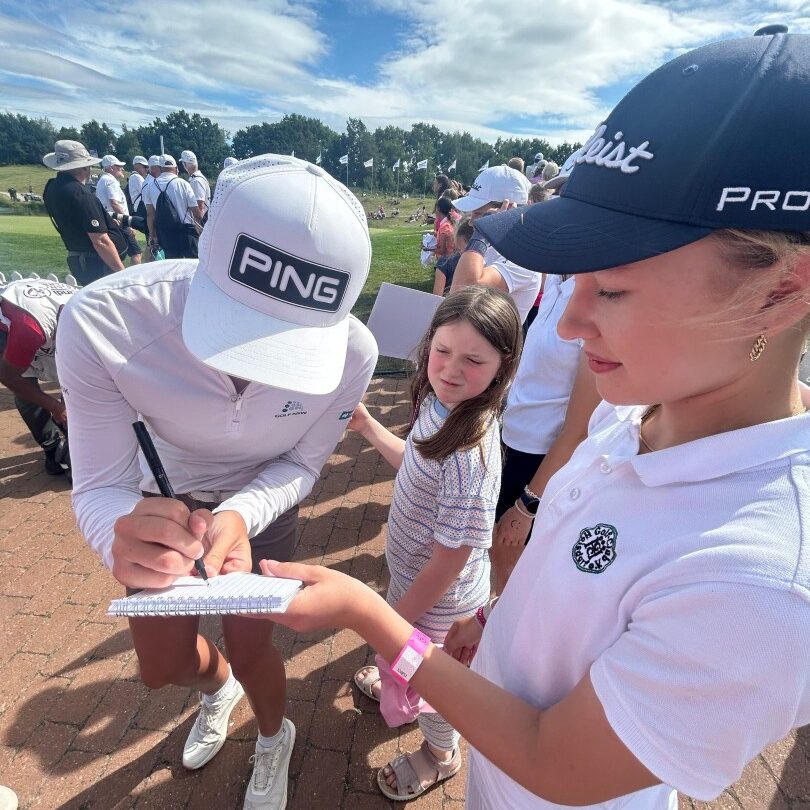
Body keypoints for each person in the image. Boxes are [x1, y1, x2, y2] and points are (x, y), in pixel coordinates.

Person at [253, 27, 810, 810]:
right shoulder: (631, 420)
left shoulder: (762, 584)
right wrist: (498, 618)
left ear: (783, 290)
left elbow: (558, 764)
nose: (572, 325)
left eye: (611, 291)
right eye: (571, 285)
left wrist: (368, 617)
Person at [56, 155, 379, 810]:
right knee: (161, 667)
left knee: (253, 642)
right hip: (156, 503)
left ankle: (272, 733)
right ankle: (216, 689)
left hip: (264, 506)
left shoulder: (355, 352)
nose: (251, 364)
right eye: (238, 324)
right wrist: (118, 532)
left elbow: (302, 464)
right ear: (204, 247)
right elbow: (98, 484)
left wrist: (239, 514)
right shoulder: (103, 319)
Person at [347, 286, 522, 800]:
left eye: (473, 360)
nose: (450, 369)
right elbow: (415, 465)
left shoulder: (473, 452)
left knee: (434, 690)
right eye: (443, 351)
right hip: (413, 580)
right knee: (408, 667)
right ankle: (399, 678)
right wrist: (368, 426)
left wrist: (393, 624)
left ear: (502, 367)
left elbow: (450, 560)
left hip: (438, 604)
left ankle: (440, 755)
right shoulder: (443, 405)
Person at [0, 278, 75, 476]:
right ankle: (53, 450)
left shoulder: (94, 313)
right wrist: (56, 407)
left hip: (41, 315)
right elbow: (9, 377)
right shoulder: (29, 328)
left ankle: (75, 449)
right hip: (10, 328)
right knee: (26, 393)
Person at [449, 165, 541, 324]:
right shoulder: (496, 248)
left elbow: (460, 294)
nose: (471, 222)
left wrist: (484, 231)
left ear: (508, 210)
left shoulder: (522, 259)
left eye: (478, 214)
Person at [42, 140, 127, 285]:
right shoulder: (80, 194)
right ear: (83, 168)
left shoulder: (52, 187)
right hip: (96, 261)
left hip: (79, 257)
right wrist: (121, 273)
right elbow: (100, 240)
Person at [142, 154, 202, 259]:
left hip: (165, 233)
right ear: (175, 168)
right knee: (192, 266)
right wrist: (200, 229)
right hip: (186, 232)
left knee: (173, 268)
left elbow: (150, 214)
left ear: (160, 168)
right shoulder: (183, 183)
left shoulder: (150, 186)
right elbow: (196, 212)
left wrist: (153, 235)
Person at [95, 155, 142, 265]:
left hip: (110, 222)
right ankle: (133, 280)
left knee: (116, 254)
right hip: (119, 222)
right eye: (119, 166)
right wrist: (128, 224)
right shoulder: (111, 181)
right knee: (136, 253)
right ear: (111, 168)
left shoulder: (103, 180)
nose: (122, 168)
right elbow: (114, 203)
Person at [432, 216, 471, 296]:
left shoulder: (444, 263)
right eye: (459, 249)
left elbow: (436, 298)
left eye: (461, 249)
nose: (461, 253)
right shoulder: (444, 263)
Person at [180, 150, 211, 220]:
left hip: (201, 221)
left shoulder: (196, 181)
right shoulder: (198, 178)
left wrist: (197, 224)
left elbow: (200, 204)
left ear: (185, 164)